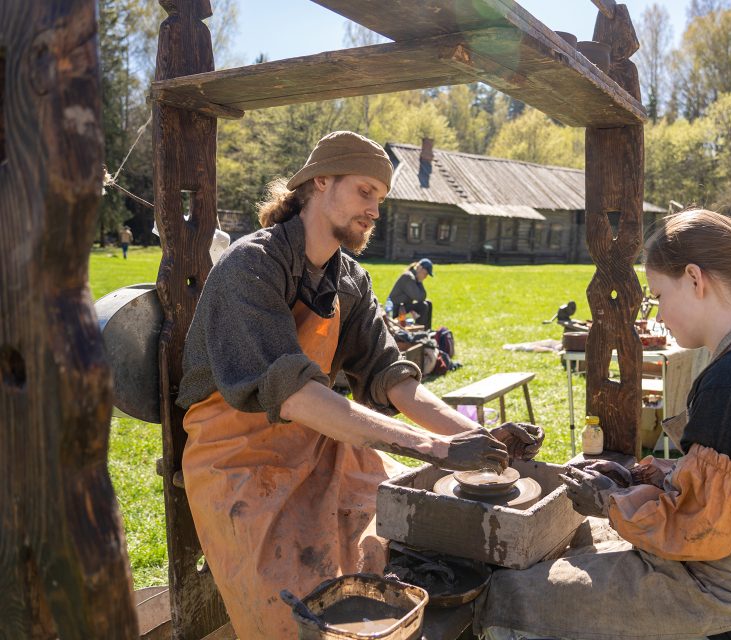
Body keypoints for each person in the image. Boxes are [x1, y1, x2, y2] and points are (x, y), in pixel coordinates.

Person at [175, 131, 543, 639]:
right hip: (237, 459)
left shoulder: (348, 279)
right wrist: (433, 446)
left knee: (406, 529)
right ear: (319, 182)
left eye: (381, 199)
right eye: (365, 192)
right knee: (296, 614)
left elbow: (394, 379)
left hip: (321, 444)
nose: (375, 210)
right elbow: (295, 393)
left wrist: (478, 440)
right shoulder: (251, 267)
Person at [476, 209, 731, 640]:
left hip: (729, 586)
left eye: (658, 296)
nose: (658, 313)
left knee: (512, 594)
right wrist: (660, 476)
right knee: (582, 544)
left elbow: (701, 531)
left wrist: (609, 502)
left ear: (695, 279)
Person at [387, 258, 433, 328]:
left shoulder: (413, 277)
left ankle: (427, 330)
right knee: (423, 305)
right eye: (425, 273)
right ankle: (419, 332)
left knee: (429, 303)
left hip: (402, 307)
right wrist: (420, 282)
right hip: (396, 310)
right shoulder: (408, 277)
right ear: (420, 268)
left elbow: (422, 296)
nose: (425, 276)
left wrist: (419, 281)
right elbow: (419, 297)